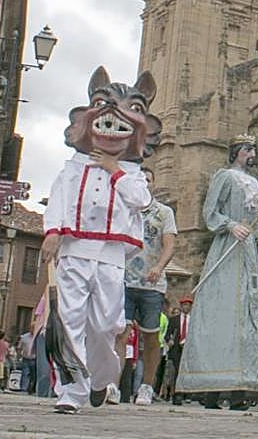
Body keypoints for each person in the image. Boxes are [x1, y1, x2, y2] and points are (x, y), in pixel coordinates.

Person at [41, 67, 156, 414]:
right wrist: (52, 232)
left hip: (111, 256)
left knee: (107, 324)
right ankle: (70, 391)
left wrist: (113, 168)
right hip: (74, 250)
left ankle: (100, 378)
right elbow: (58, 199)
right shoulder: (72, 167)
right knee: (70, 318)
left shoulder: (133, 174)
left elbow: (142, 201)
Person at [177, 134, 258, 401]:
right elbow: (211, 212)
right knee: (223, 312)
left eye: (253, 148)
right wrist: (230, 225)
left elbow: (256, 225)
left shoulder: (255, 183)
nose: (251, 152)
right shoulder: (225, 176)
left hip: (248, 255)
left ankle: (241, 384)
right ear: (236, 152)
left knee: (246, 314)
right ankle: (212, 385)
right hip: (226, 249)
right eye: (247, 149)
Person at [117, 166, 177, 406]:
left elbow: (170, 245)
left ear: (153, 183)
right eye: (139, 178)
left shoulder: (164, 212)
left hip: (152, 285)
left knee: (151, 338)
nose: (144, 182)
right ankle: (112, 384)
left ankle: (146, 387)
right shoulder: (124, 210)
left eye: (148, 179)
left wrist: (159, 267)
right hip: (123, 280)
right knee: (120, 334)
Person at [17, 323, 36, 394]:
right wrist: (19, 356)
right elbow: (19, 347)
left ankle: (31, 389)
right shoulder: (24, 337)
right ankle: (23, 389)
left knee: (34, 375)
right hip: (26, 358)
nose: (33, 330)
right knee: (25, 373)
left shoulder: (38, 337)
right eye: (32, 328)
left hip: (35, 359)